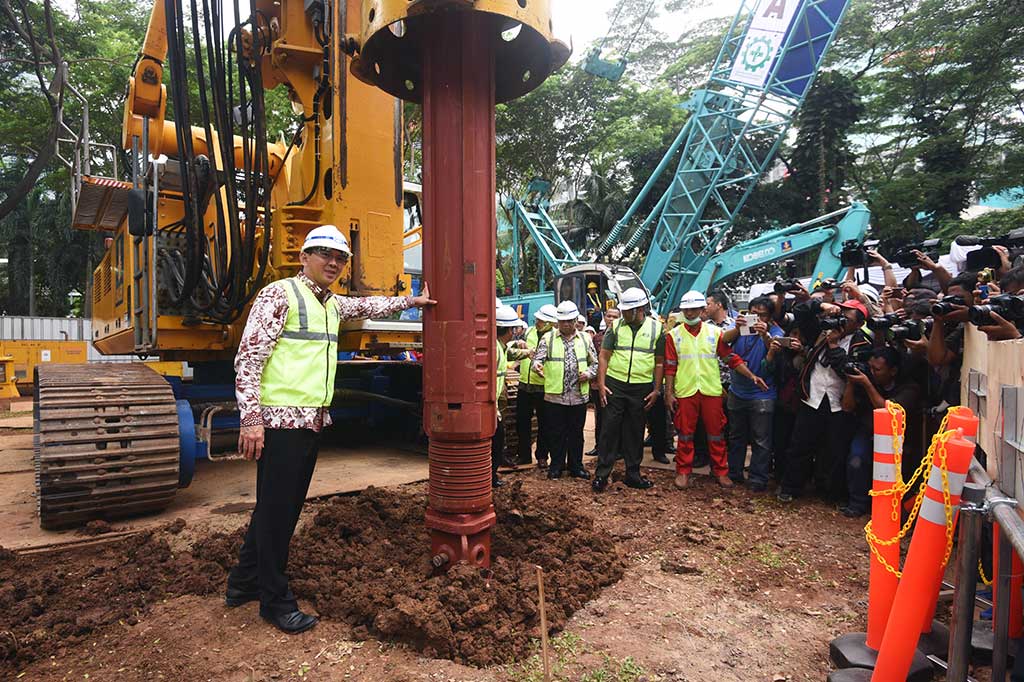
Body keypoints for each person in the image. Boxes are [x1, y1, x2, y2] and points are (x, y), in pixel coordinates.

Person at [227, 224, 436, 633]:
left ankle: (242, 583)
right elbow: (248, 358)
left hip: (311, 420)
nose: (334, 262)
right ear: (304, 257)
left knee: (274, 507)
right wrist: (251, 419)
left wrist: (412, 300)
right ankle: (275, 601)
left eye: (340, 257)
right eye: (325, 254)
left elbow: (368, 307)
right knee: (279, 513)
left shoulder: (331, 304)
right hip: (281, 421)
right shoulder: (279, 294)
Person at [664, 290, 768, 489]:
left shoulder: (714, 333)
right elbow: (670, 366)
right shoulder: (673, 336)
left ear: (702, 310)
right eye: (687, 310)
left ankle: (720, 471)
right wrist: (668, 393)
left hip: (710, 390)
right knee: (685, 434)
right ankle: (683, 471)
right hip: (686, 391)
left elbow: (730, 358)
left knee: (716, 433)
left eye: (695, 309)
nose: (691, 313)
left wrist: (751, 375)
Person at [776, 297, 872, 503]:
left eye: (847, 319)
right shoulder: (820, 332)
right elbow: (800, 310)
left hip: (840, 403)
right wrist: (822, 305)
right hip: (813, 396)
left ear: (858, 324)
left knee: (835, 451)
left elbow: (851, 371)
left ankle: (832, 494)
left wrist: (835, 346)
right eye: (840, 316)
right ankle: (790, 488)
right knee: (799, 445)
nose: (841, 322)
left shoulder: (862, 344)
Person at [592, 287, 664, 492]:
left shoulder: (656, 329)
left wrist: (656, 389)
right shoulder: (615, 327)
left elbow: (660, 362)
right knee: (609, 430)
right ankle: (601, 475)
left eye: (627, 310)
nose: (623, 313)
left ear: (639, 309)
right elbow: (604, 356)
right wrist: (602, 385)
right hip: (615, 385)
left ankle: (633, 474)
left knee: (635, 431)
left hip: (641, 387)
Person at [840, 347, 922, 517]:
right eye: (870, 368)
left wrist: (867, 385)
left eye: (877, 370)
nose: (872, 372)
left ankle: (891, 509)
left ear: (893, 371)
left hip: (898, 438)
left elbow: (889, 411)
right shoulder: (866, 379)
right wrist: (850, 382)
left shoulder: (909, 388)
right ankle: (857, 504)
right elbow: (847, 407)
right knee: (857, 458)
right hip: (868, 430)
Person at [533, 300, 599, 480]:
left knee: (576, 433)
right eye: (562, 321)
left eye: (569, 321)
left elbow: (596, 363)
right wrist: (537, 366)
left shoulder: (585, 339)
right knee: (556, 433)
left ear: (576, 320)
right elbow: (537, 360)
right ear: (557, 321)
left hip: (578, 396)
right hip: (555, 396)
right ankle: (557, 465)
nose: (566, 324)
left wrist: (588, 373)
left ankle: (576, 466)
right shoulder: (548, 338)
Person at [726, 296, 783, 490]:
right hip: (737, 390)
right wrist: (736, 327)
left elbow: (774, 364)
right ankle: (734, 472)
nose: (757, 319)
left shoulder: (776, 333)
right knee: (736, 435)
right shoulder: (740, 331)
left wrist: (765, 336)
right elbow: (723, 344)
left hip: (763, 394)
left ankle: (758, 478)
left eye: (762, 315)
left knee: (761, 439)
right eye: (753, 314)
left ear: (769, 317)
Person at [516, 304, 558, 467]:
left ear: (550, 323)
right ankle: (524, 454)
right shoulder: (529, 332)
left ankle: (542, 456)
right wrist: (520, 345)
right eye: (538, 319)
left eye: (541, 320)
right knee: (522, 422)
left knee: (545, 423)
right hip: (524, 385)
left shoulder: (555, 337)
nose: (537, 322)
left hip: (543, 386)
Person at [493, 305, 530, 487]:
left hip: (496, 401)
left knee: (498, 438)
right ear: (508, 330)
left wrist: (528, 352)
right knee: (496, 439)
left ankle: (493, 473)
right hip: (492, 403)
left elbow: (511, 353)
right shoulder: (494, 348)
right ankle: (491, 476)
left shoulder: (499, 346)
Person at [587, 307, 621, 457]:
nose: (611, 319)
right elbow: (594, 360)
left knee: (616, 417)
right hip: (598, 384)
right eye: (609, 316)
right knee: (599, 416)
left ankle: (617, 448)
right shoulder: (597, 338)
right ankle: (599, 446)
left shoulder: (623, 337)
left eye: (615, 316)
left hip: (617, 383)